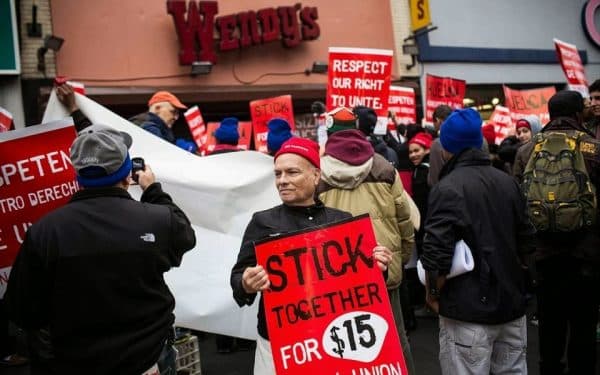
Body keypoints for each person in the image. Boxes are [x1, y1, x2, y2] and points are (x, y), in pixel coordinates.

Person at [5, 124, 197, 374]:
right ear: (128, 174)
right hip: (148, 360)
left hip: (75, 362)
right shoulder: (158, 220)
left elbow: (23, 311)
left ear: (78, 176)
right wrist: (153, 190)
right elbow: (186, 236)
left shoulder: (45, 231)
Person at [230, 137, 393, 375]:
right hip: (279, 344)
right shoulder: (262, 222)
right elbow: (237, 278)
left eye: (292, 172)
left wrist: (379, 265)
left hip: (335, 339)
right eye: (278, 174)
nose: (282, 181)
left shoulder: (341, 221)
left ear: (316, 176)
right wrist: (246, 283)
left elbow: (367, 282)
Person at [421, 108, 536, 375]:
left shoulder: (447, 187)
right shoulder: (508, 182)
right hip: (511, 306)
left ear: (447, 147)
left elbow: (436, 251)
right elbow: (527, 241)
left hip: (466, 309)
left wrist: (432, 293)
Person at [317, 128, 417, 375]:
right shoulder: (384, 167)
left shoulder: (318, 172)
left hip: (339, 272)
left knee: (345, 340)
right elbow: (405, 218)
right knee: (394, 336)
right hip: (383, 265)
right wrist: (401, 258)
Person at [516, 90, 600, 374]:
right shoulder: (593, 147)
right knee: (584, 327)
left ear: (549, 115)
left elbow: (519, 205)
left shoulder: (527, 150)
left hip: (543, 257)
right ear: (578, 114)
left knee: (550, 327)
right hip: (586, 255)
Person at [427, 105, 453, 186]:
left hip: (445, 192)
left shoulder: (437, 143)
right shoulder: (465, 139)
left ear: (438, 121)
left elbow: (434, 180)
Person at [511, 116, 542, 181]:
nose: (521, 135)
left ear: (535, 130)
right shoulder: (520, 151)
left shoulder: (521, 151)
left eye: (525, 131)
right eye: (519, 133)